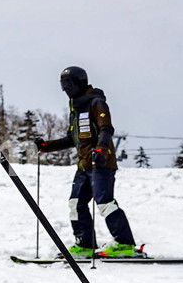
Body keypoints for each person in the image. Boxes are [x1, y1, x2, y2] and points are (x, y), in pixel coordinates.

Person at [37, 66, 138, 257]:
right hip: (83, 165)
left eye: (69, 83)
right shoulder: (76, 108)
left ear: (80, 82)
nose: (66, 88)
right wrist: (46, 146)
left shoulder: (96, 103)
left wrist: (101, 150)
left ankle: (125, 245)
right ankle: (85, 244)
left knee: (104, 203)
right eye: (63, 85)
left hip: (101, 163)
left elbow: (106, 129)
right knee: (76, 204)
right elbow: (71, 139)